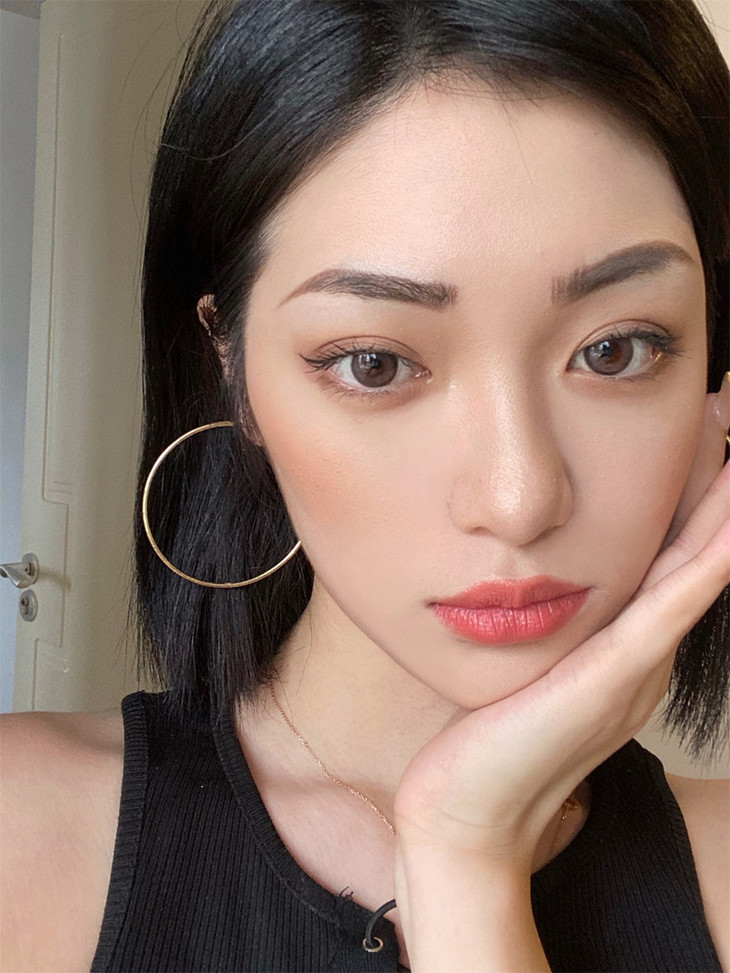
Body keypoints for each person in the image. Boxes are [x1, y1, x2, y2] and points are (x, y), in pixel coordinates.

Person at [1, 0, 729, 970]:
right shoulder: (20, 838)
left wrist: (468, 857)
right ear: (232, 368)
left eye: (617, 348)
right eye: (375, 364)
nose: (518, 498)